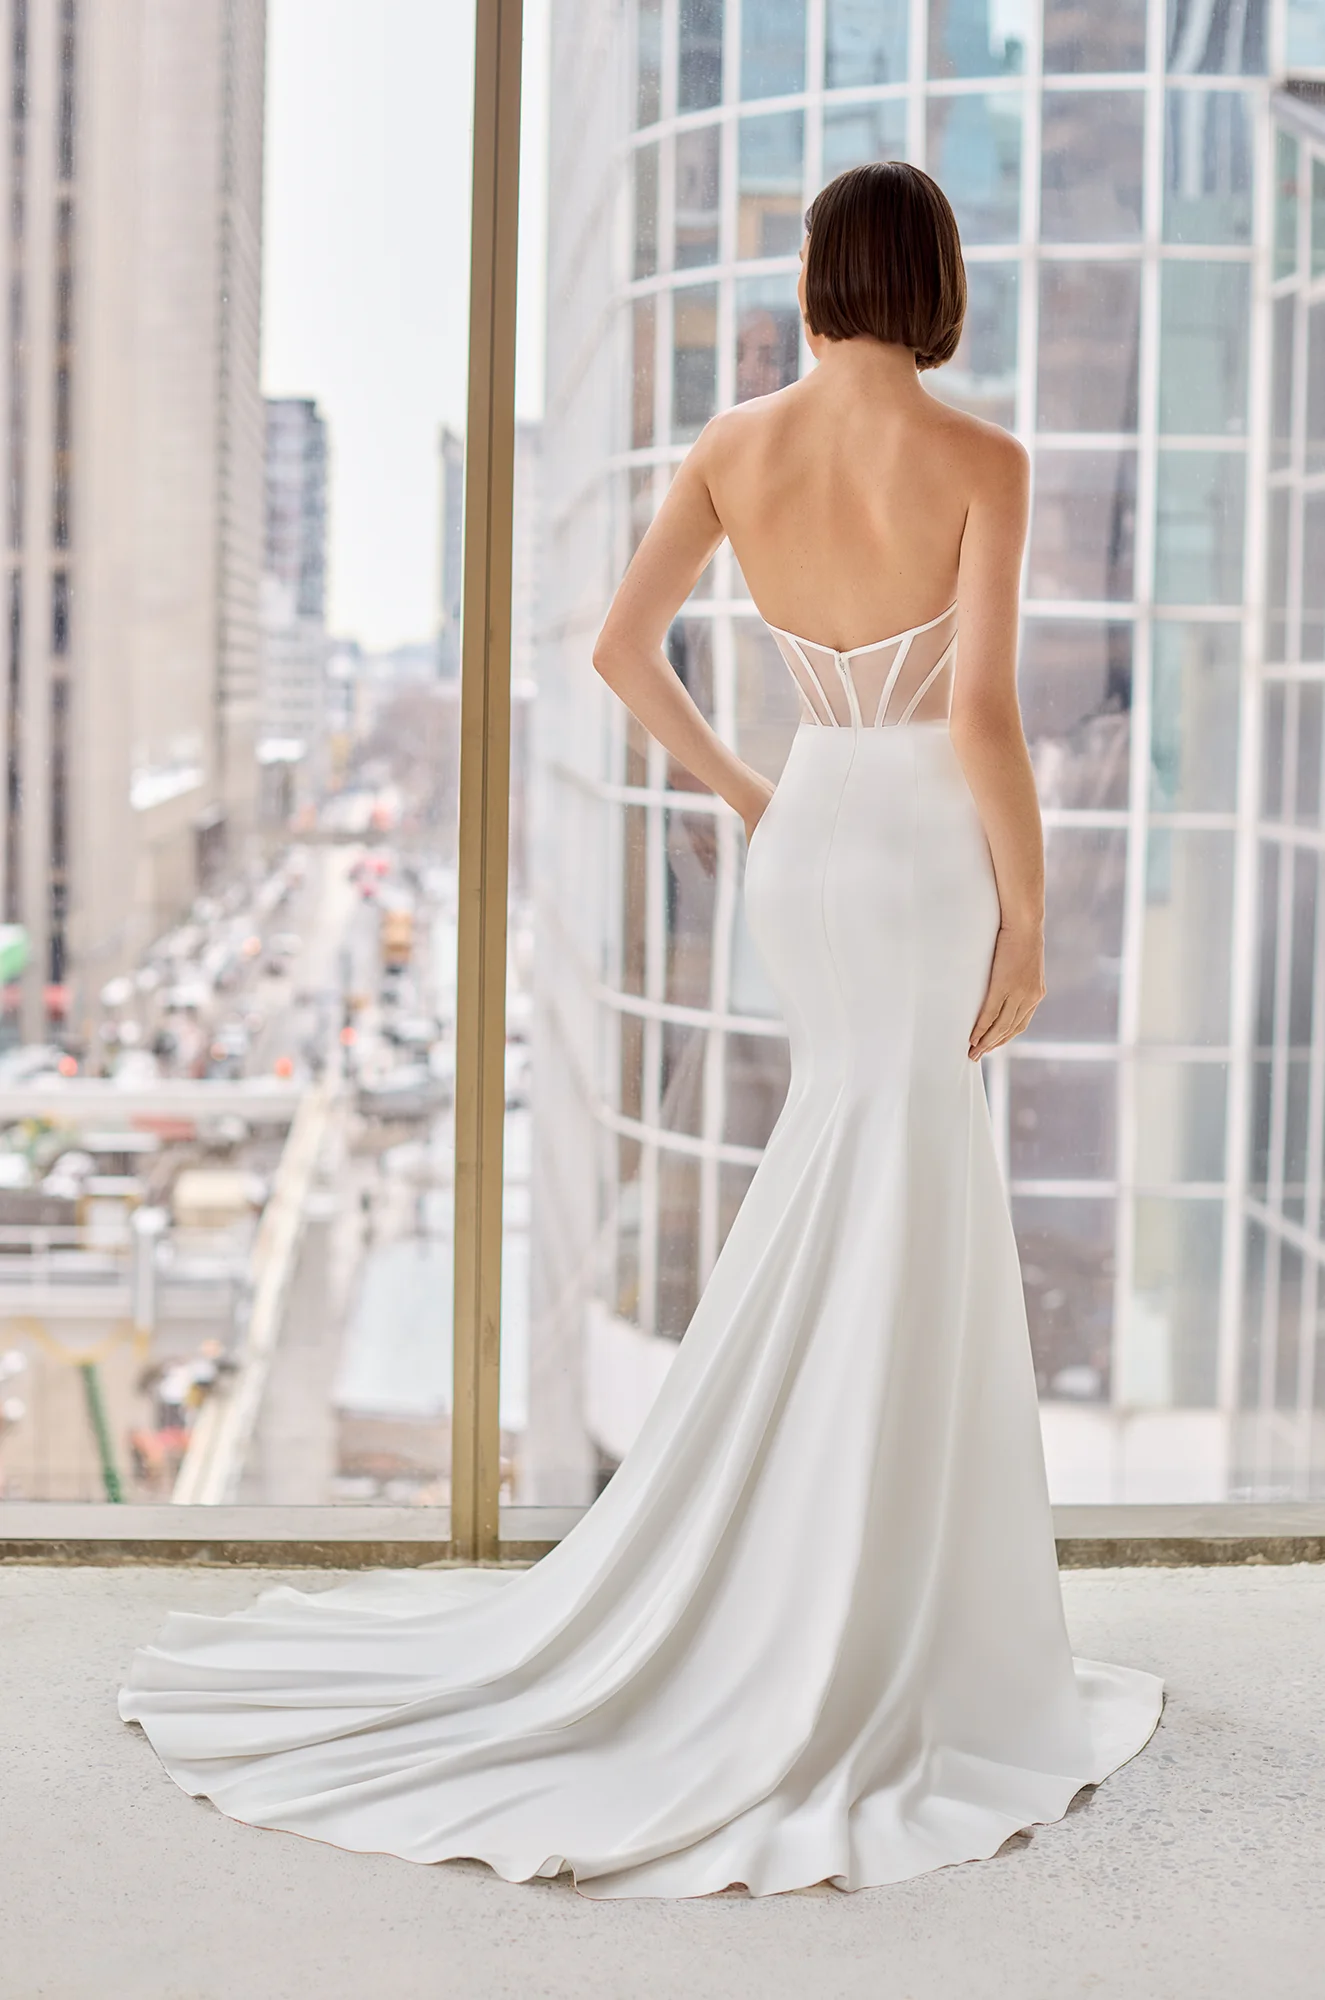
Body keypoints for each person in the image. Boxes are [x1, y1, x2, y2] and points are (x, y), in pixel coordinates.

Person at [117, 162, 1162, 1901]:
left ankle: (770, 1570)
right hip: (918, 850)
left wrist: (759, 784)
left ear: (824, 276)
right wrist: (1032, 914)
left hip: (811, 828)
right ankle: (883, 1612)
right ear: (938, 280)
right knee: (903, 1187)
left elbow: (618, 646)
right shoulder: (983, 460)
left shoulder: (736, 446)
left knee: (839, 1170)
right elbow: (981, 715)